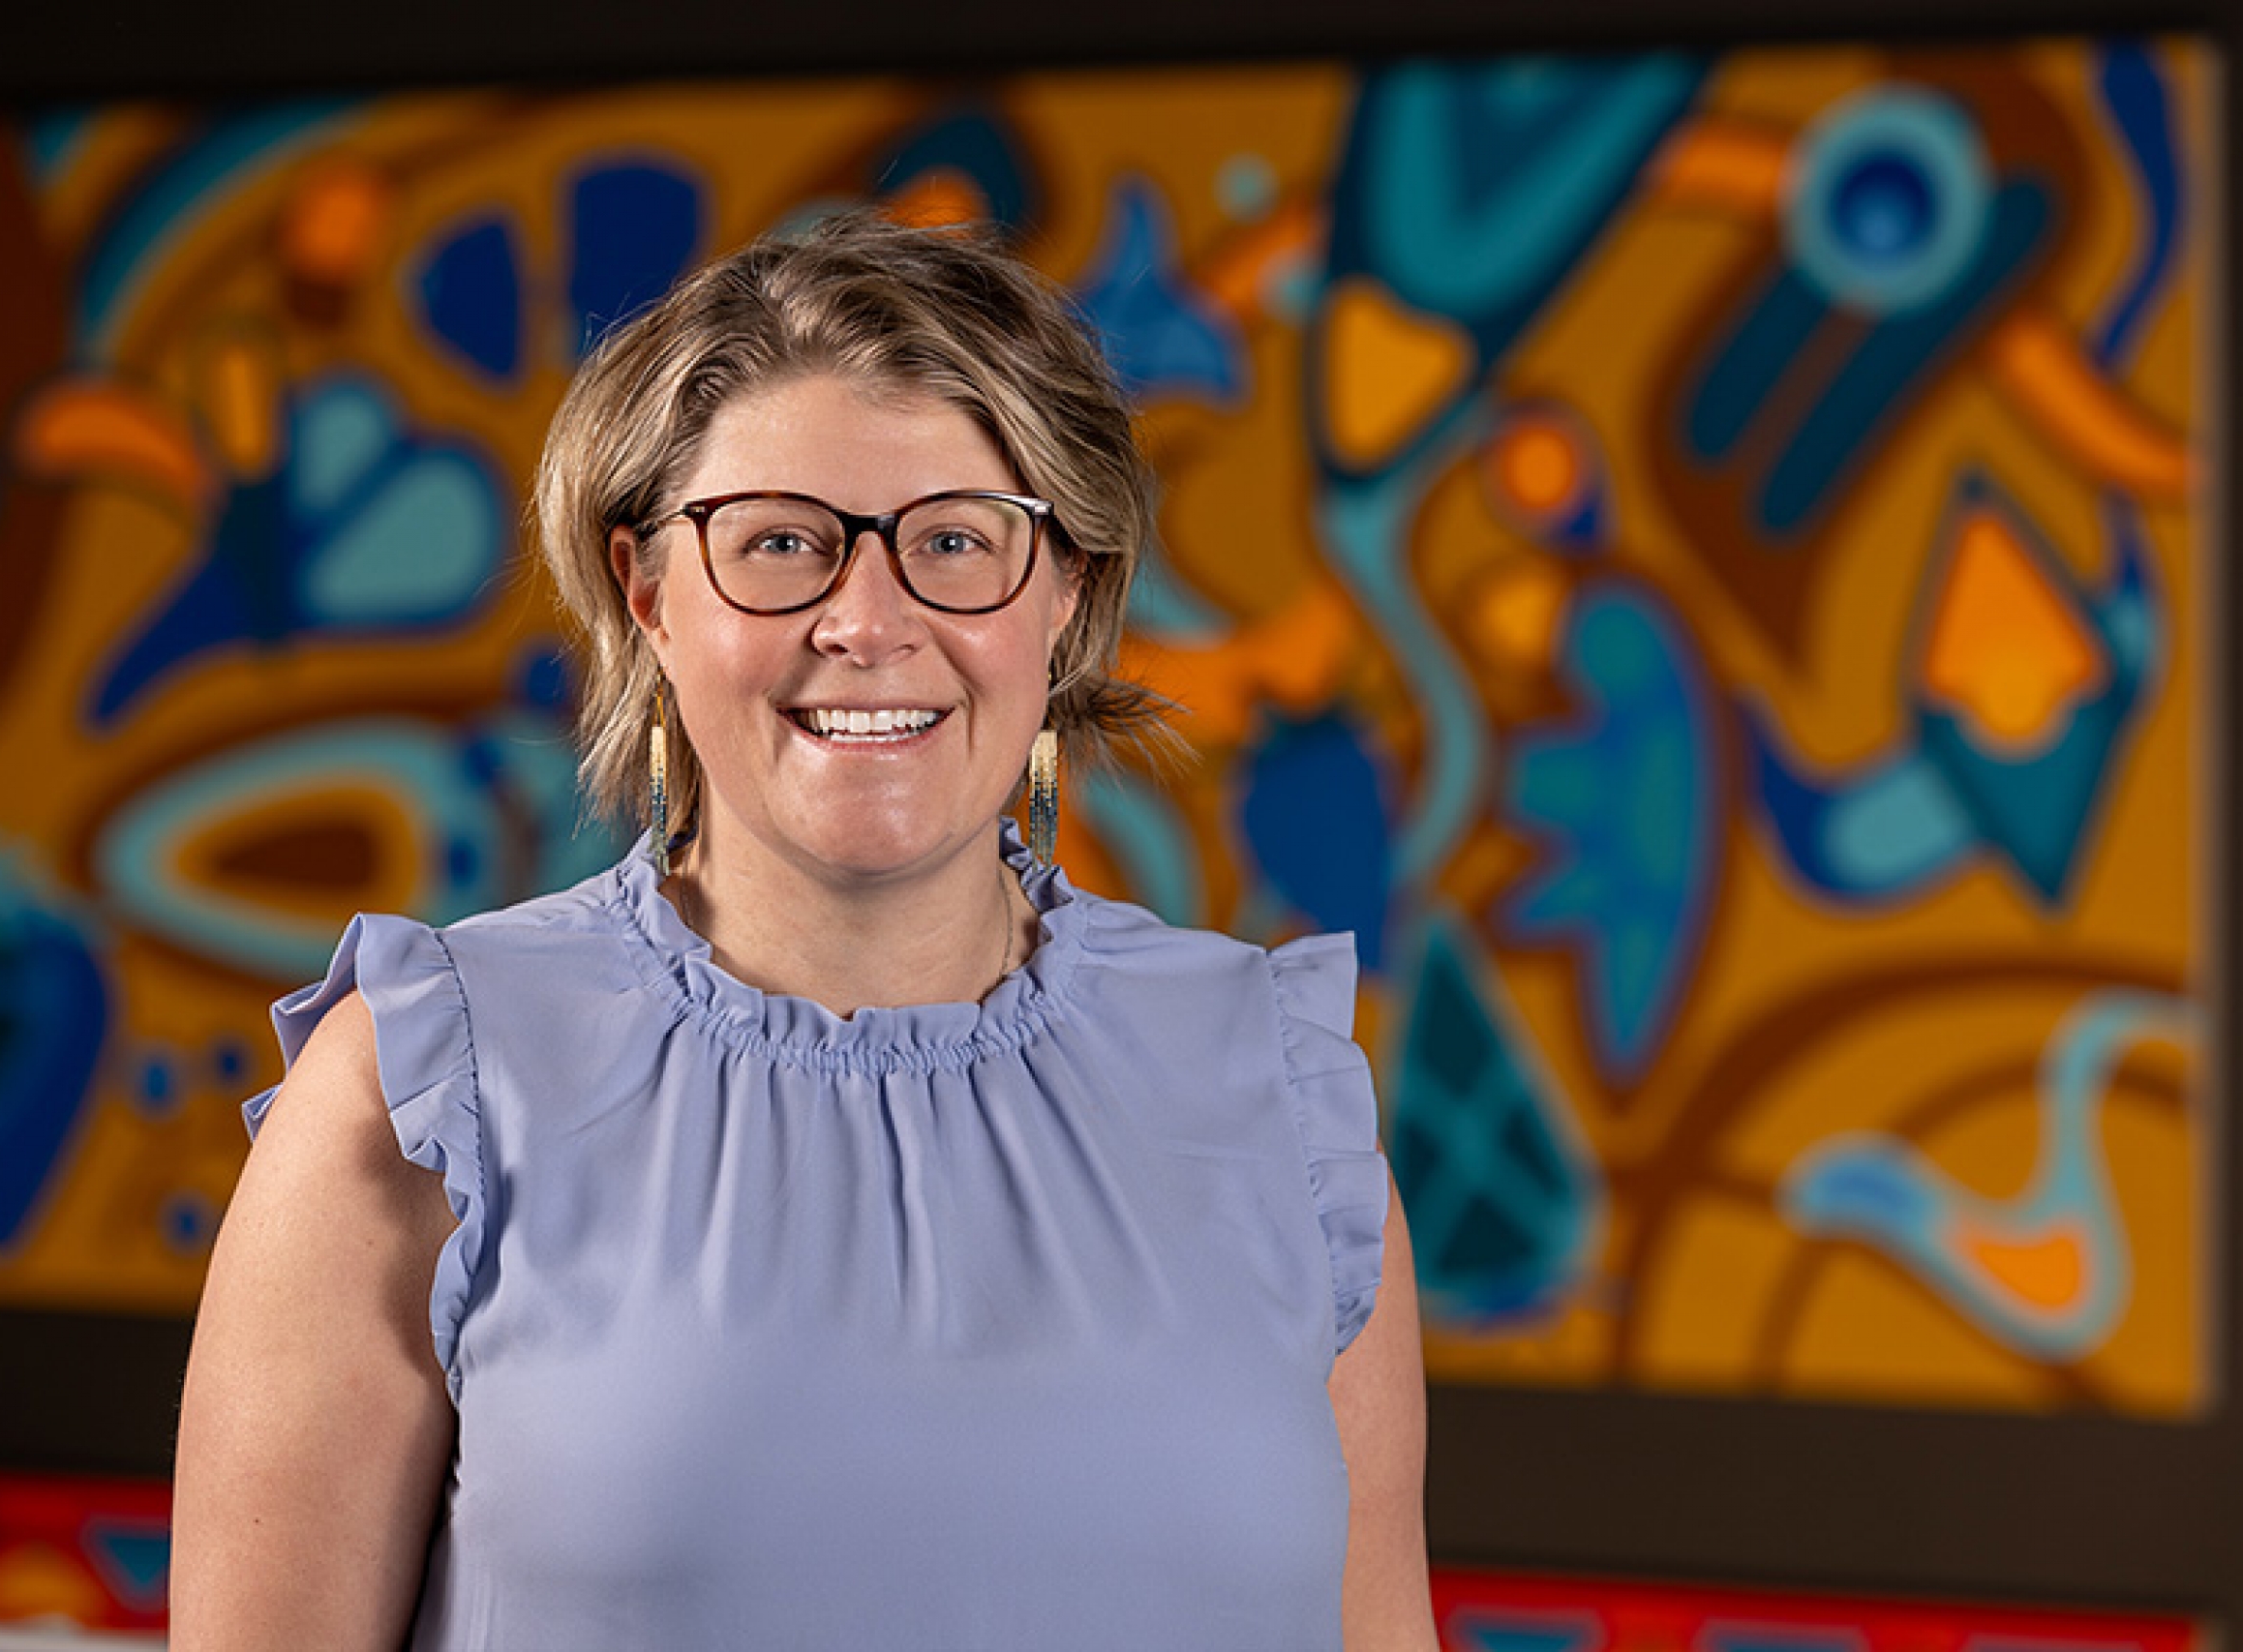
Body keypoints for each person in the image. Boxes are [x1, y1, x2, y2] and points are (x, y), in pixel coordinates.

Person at [171, 210, 1435, 1650]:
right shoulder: (414, 1098)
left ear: (1066, 594)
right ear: (648, 591)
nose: (869, 620)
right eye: (782, 543)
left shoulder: (1281, 1097)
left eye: (958, 541)